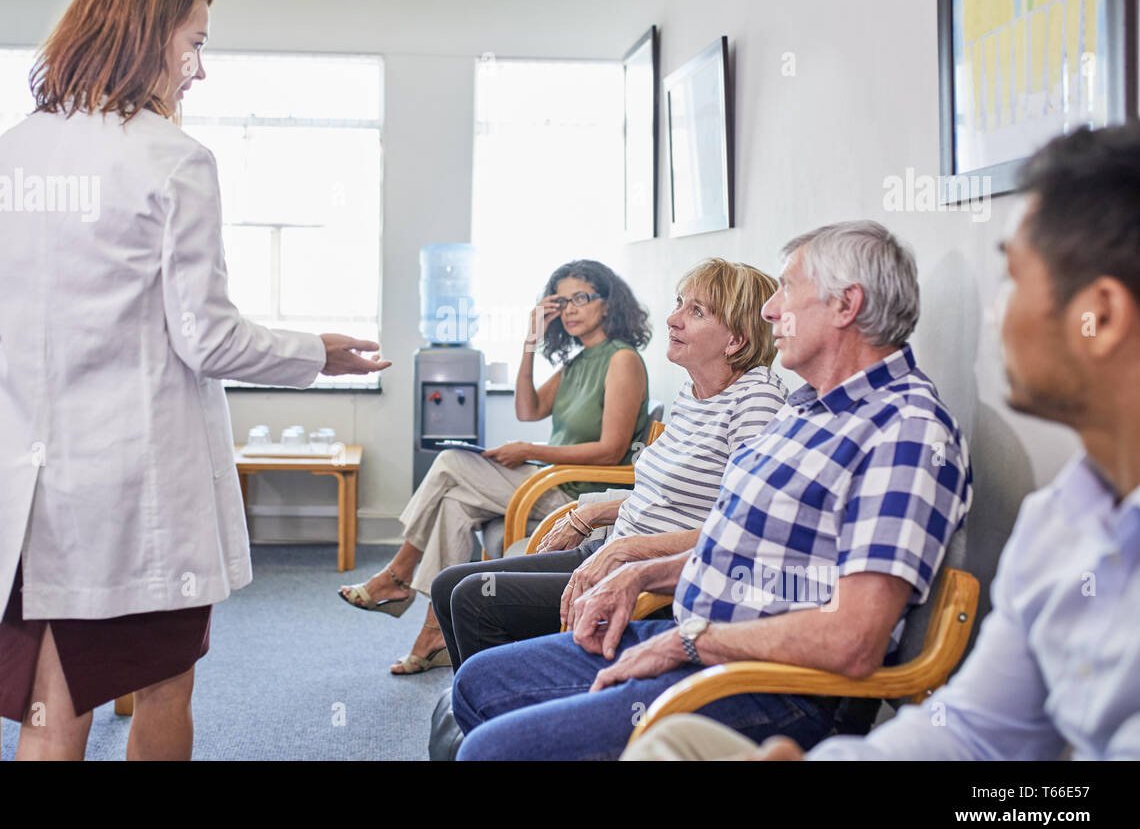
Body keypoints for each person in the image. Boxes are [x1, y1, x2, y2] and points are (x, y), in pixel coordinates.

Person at [0, 0, 390, 761]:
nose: (201, 70)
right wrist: (316, 353)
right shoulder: (171, 159)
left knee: (50, 712)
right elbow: (208, 337)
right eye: (194, 43)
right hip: (133, 494)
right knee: (162, 688)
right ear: (145, 37)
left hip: (24, 492)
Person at [623, 125, 1140, 762]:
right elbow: (977, 733)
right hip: (714, 654)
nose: (994, 316)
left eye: (1012, 279)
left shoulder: (908, 429)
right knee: (667, 746)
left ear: (1103, 316)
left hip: (759, 683)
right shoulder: (1063, 517)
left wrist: (693, 640)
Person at [451, 220, 973, 760]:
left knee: (489, 750)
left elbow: (854, 638)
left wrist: (687, 641)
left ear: (846, 305)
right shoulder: (809, 409)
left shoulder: (904, 431)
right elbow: (749, 550)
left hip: (775, 687)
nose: (770, 311)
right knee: (475, 683)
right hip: (705, 642)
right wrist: (640, 572)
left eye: (787, 289)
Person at [430, 259, 788, 671]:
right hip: (614, 547)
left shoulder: (756, 400)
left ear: (736, 342)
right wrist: (594, 515)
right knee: (448, 585)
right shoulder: (694, 393)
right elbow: (667, 495)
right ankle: (490, 705)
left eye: (696, 312)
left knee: (474, 599)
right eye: (679, 303)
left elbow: (745, 531)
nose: (673, 319)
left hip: (652, 579)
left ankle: (496, 713)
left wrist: (627, 550)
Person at [339, 260, 652, 674]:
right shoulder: (579, 361)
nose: (572, 309)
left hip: (575, 494)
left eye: (582, 298)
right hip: (549, 482)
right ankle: (433, 632)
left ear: (608, 305)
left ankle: (398, 574)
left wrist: (529, 450)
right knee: (454, 503)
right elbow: (528, 409)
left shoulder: (622, 360)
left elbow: (611, 451)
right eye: (562, 302)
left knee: (451, 461)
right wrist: (529, 343)